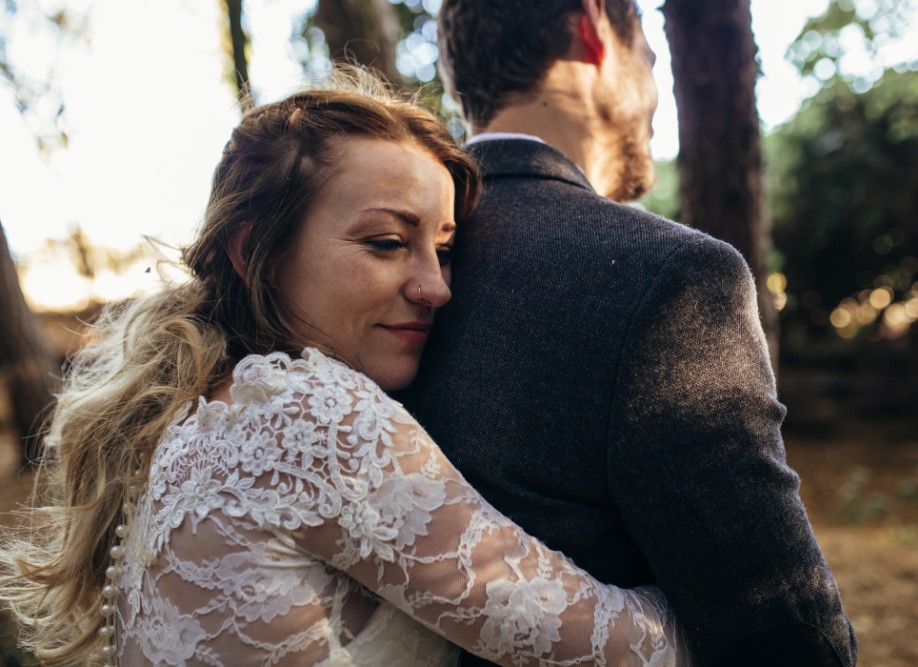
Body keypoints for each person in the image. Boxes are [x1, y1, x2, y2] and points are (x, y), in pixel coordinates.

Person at [0, 74, 691, 665]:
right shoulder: (306, 414)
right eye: (388, 242)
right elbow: (615, 645)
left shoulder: (195, 406)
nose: (437, 287)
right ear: (255, 253)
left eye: (444, 249)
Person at [398, 1, 858, 666]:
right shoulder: (674, 278)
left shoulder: (371, 268)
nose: (654, 89)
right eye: (648, 54)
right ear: (594, 27)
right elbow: (787, 637)